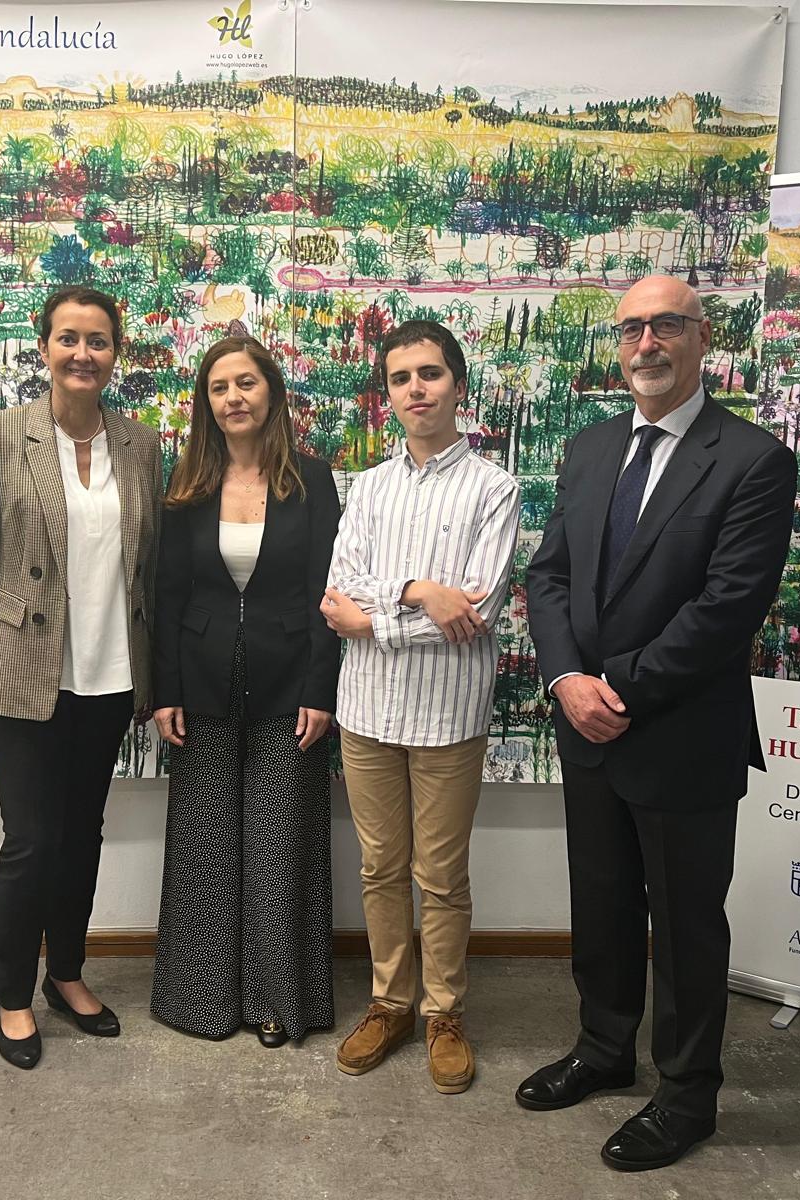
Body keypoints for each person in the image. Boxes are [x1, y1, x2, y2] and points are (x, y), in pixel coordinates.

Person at [520, 275, 796, 1169]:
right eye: (633, 326)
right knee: (598, 905)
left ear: (701, 338)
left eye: (665, 325)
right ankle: (604, 1052)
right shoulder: (590, 447)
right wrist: (567, 679)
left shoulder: (752, 460)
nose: (647, 341)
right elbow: (549, 577)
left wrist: (617, 690)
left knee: (684, 926)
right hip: (585, 725)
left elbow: (727, 609)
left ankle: (686, 1096)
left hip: (681, 737)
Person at [0, 286, 162, 1070]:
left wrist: (154, 679)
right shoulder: (2, 435)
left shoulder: (141, 444)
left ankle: (65, 972)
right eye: (69, 338)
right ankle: (11, 995)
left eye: (98, 340)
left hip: (108, 673)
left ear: (115, 353)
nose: (82, 354)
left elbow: (150, 567)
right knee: (31, 841)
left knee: (82, 837)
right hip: (22, 674)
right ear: (44, 348)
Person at [321, 319, 520, 1095]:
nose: (416, 390)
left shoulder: (495, 489)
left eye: (430, 374)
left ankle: (444, 1013)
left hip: (448, 717)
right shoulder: (366, 487)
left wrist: (381, 617)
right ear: (388, 393)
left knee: (439, 876)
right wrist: (417, 594)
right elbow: (339, 591)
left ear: (458, 385)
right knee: (378, 868)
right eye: (401, 378)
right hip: (365, 711)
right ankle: (389, 1002)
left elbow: (480, 612)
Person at [150, 336, 341, 1047]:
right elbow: (167, 594)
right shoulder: (187, 483)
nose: (233, 397)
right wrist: (164, 689)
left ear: (272, 394)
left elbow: (330, 591)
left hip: (291, 683)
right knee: (204, 845)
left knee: (279, 843)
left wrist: (321, 691)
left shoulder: (312, 482)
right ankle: (201, 1001)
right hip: (199, 685)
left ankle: (276, 1001)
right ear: (208, 402)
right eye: (219, 387)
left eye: (246, 384)